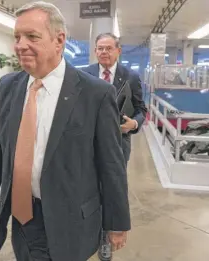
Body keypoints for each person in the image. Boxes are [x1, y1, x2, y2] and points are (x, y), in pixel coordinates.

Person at [0, 2, 130, 261]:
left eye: (32, 36)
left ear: (59, 40)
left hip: (71, 220)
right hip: (22, 218)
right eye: (17, 37)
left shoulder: (95, 93)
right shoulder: (8, 87)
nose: (20, 45)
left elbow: (111, 164)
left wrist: (117, 222)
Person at [83, 33, 147, 261]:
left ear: (118, 51)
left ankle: (107, 237)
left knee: (112, 188)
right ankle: (92, 235)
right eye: (100, 48)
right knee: (90, 189)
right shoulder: (85, 74)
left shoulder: (130, 77)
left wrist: (134, 123)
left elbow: (141, 109)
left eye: (108, 48)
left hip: (119, 143)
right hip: (88, 144)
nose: (104, 52)